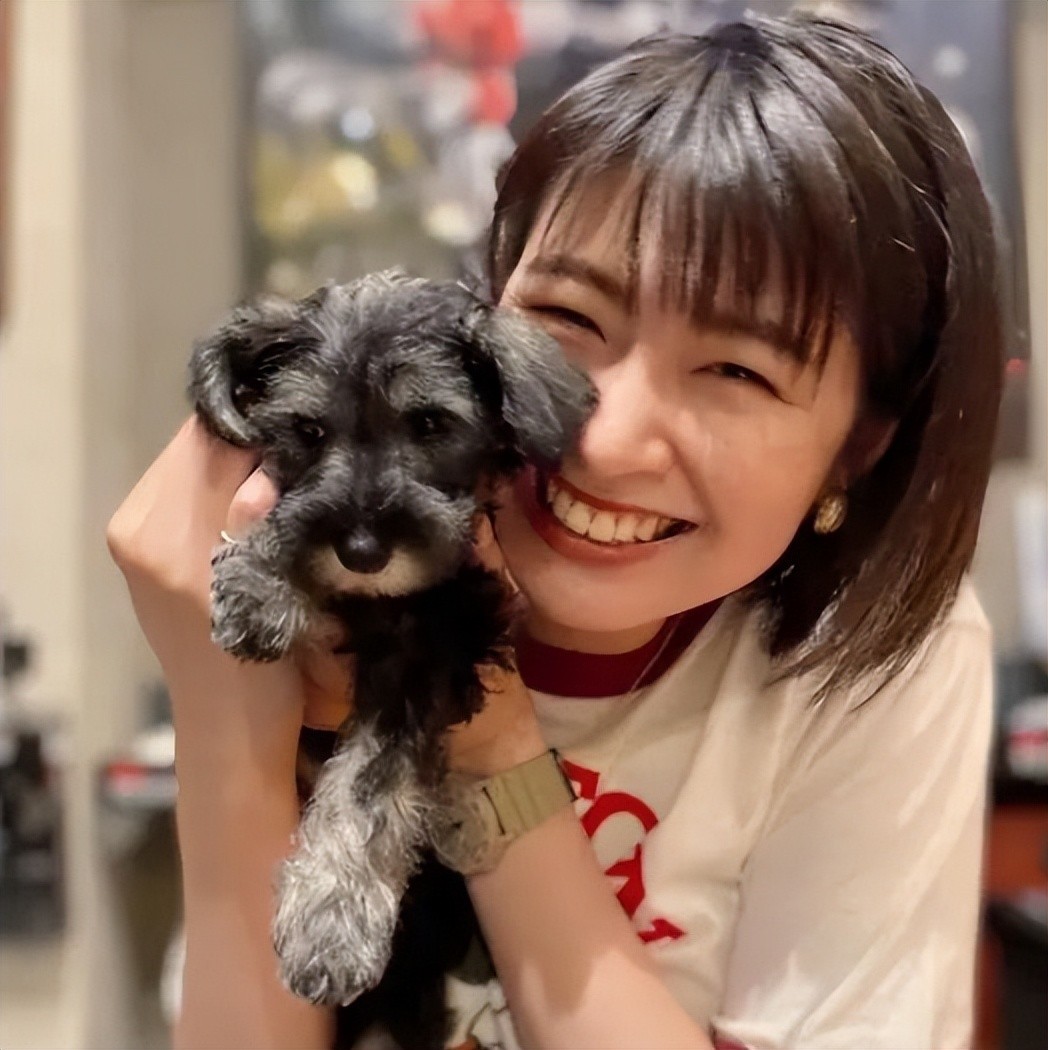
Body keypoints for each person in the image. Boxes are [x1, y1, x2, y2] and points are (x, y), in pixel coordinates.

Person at [107, 12, 1004, 1050]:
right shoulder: (328, 585)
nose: (605, 441)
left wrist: (494, 744)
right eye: (569, 321)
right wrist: (226, 717)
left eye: (735, 370)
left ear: (858, 446)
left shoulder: (875, 665)